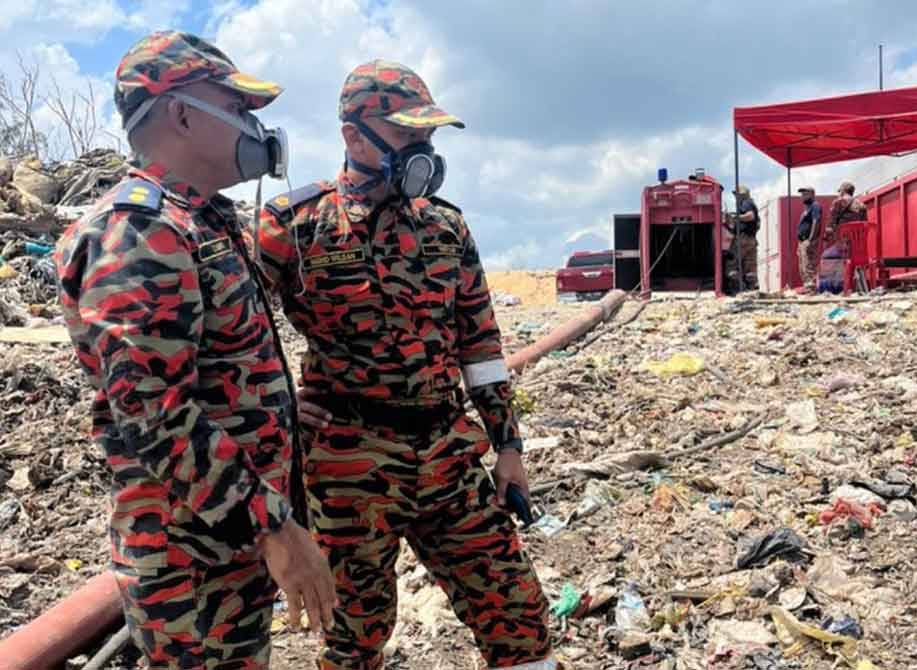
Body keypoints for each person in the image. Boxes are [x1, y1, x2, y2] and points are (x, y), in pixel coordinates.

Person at [257, 59, 553, 670]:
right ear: (353, 135)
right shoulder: (294, 225)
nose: (423, 151)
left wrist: (508, 446)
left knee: (517, 613)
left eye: (429, 139)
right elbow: (237, 335)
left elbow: (482, 346)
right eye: (408, 136)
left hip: (448, 450)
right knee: (355, 635)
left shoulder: (447, 227)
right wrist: (281, 404)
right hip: (348, 462)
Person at [55, 31, 336, 669]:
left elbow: (215, 372)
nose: (253, 124)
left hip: (226, 546)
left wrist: (282, 416)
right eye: (237, 107)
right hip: (190, 562)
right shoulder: (140, 230)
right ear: (181, 113)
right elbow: (154, 415)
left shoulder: (201, 218)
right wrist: (275, 526)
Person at [728, 185, 759, 291]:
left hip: (742, 239)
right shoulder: (751, 203)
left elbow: (750, 216)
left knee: (732, 265)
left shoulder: (746, 203)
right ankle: (751, 290)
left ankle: (737, 289)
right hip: (751, 239)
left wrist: (736, 217)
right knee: (750, 268)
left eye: (736, 195)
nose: (735, 197)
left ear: (741, 195)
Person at [796, 186, 823, 293]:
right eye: (802, 194)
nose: (802, 196)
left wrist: (810, 239)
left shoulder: (815, 206)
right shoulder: (807, 209)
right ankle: (807, 288)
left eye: (805, 194)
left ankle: (811, 289)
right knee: (803, 266)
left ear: (812, 194)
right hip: (802, 241)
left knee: (808, 265)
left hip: (808, 240)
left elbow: (816, 222)